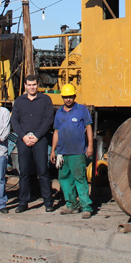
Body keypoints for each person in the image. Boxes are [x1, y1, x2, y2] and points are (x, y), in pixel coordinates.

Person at [11, 74, 56, 213]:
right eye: (29, 85)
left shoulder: (45, 100)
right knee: (24, 172)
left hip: (40, 140)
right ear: (25, 86)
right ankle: (23, 202)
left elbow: (49, 119)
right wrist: (23, 137)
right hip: (23, 140)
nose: (32, 87)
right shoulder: (19, 101)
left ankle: (48, 201)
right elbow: (14, 121)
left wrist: (37, 136)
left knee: (43, 171)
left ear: (38, 85)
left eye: (34, 85)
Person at [50, 84, 93, 219]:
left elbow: (89, 128)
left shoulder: (82, 110)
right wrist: (53, 151)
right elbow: (56, 132)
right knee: (64, 179)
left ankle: (86, 207)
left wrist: (90, 145)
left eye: (70, 97)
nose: (68, 99)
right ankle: (72, 205)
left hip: (77, 152)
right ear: (62, 97)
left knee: (80, 178)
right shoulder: (59, 112)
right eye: (65, 97)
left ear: (74, 96)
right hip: (62, 152)